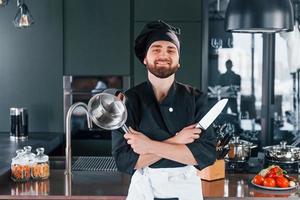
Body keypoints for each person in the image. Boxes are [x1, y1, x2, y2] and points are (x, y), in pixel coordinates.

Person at [111, 20, 216, 200]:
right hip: (145, 190)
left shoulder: (197, 99)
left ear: (178, 61)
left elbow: (205, 155)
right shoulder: (129, 100)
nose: (163, 55)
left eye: (171, 49)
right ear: (145, 58)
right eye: (156, 49)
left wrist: (148, 146)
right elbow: (125, 161)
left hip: (186, 189)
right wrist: (178, 141)